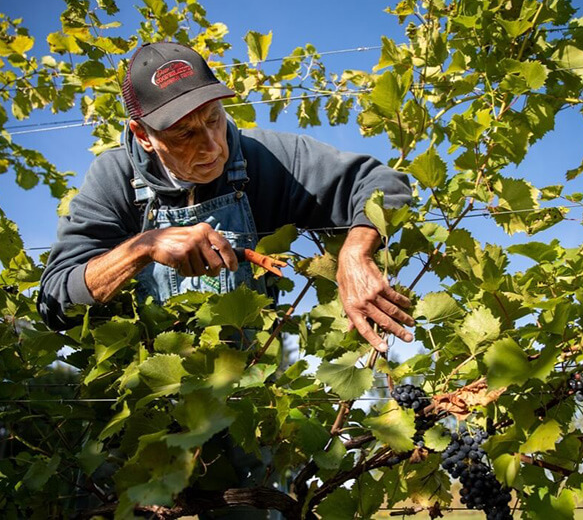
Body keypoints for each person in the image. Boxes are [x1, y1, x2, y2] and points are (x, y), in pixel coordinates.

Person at [38, 41, 415, 350]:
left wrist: (355, 252)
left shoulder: (267, 158)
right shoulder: (114, 179)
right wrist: (141, 247)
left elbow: (384, 182)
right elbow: (55, 301)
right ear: (142, 135)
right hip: (149, 396)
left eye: (213, 118)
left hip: (250, 382)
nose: (211, 147)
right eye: (184, 133)